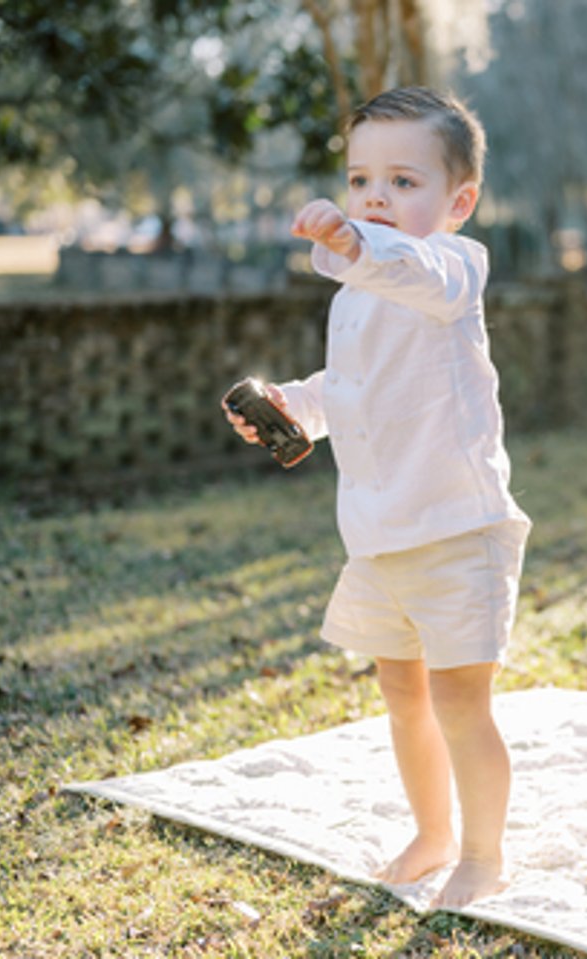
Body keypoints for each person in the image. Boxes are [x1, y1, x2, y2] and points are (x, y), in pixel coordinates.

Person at [223, 86, 529, 908]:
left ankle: (484, 853)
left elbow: (403, 262)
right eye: (362, 180)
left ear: (458, 201)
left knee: (462, 702)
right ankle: (431, 830)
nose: (376, 199)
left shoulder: (454, 267)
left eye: (403, 181)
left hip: (458, 526)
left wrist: (349, 236)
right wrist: (295, 407)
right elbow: (349, 386)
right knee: (403, 695)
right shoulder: (355, 296)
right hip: (378, 533)